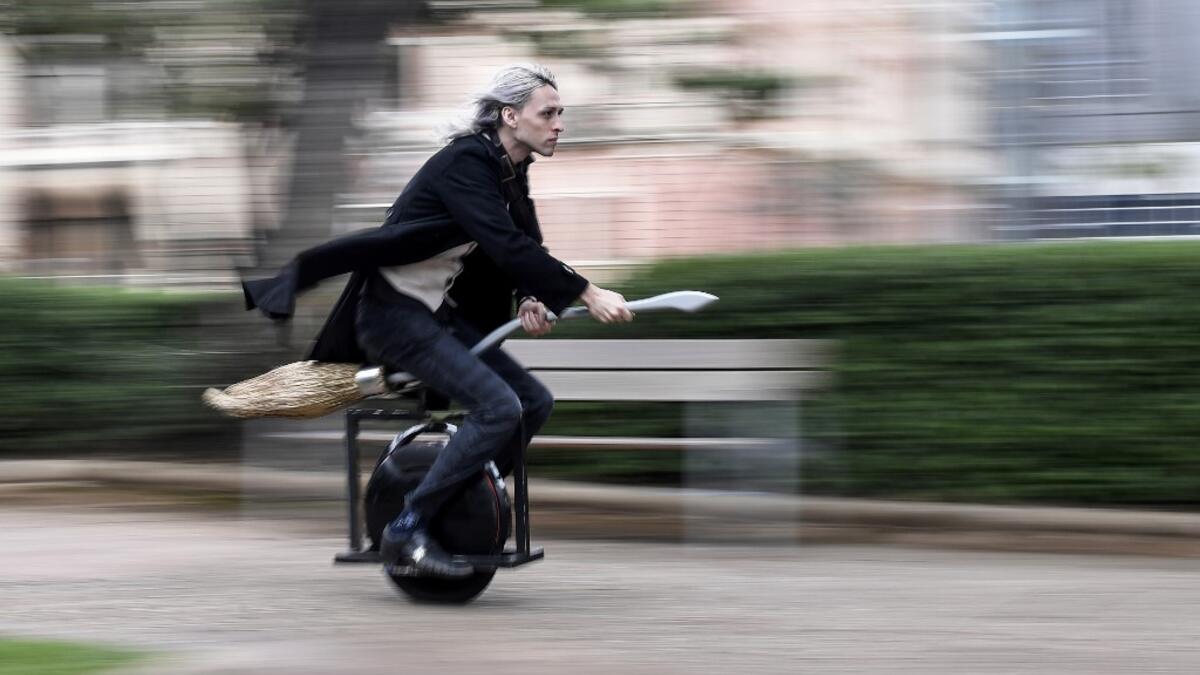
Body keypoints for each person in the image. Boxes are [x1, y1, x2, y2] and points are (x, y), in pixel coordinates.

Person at [243, 64, 632, 578]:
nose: (559, 124)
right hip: (394, 317)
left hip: (437, 316)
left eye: (561, 114)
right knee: (498, 408)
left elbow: (524, 244)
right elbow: (504, 241)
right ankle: (408, 530)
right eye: (549, 113)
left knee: (533, 402)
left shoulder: (509, 170)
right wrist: (586, 290)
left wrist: (529, 295)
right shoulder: (466, 163)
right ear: (511, 116)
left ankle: (465, 495)